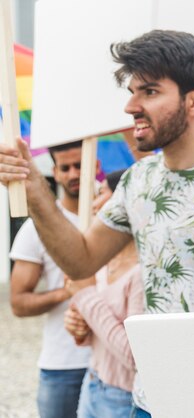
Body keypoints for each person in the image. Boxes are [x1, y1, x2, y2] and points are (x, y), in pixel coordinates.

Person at [0, 30, 194, 417]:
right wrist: (37, 190)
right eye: (132, 91)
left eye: (150, 92)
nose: (131, 106)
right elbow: (81, 260)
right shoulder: (139, 179)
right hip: (150, 400)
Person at [8, 140, 92, 418]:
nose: (73, 174)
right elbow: (19, 303)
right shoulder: (36, 229)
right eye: (65, 168)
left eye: (80, 165)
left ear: (96, 166)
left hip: (113, 366)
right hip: (63, 365)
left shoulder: (112, 218)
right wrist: (64, 292)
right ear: (54, 173)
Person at [63, 169, 142, 418]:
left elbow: (134, 356)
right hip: (92, 381)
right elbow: (99, 333)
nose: (95, 204)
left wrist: (86, 296)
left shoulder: (142, 271)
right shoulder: (103, 261)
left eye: (104, 195)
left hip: (123, 396)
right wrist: (78, 328)